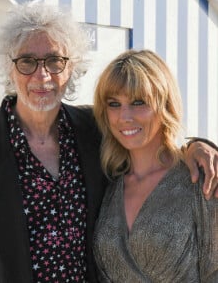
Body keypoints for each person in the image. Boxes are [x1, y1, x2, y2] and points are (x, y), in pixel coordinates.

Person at [0, 3, 218, 283]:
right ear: (9, 68)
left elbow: (148, 133)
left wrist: (195, 146)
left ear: (72, 68)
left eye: (55, 60)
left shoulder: (94, 128)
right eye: (27, 61)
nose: (42, 75)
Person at [92, 49, 218, 282]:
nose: (124, 117)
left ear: (165, 104)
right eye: (114, 104)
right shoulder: (107, 184)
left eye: (139, 102)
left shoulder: (203, 178)